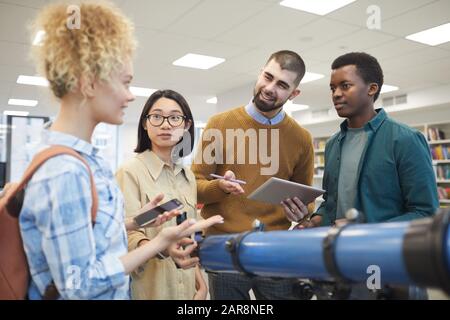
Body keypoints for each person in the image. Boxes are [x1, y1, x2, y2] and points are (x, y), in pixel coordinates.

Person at [19, 2, 222, 300]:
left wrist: (136, 221)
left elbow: (93, 239)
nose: (129, 96)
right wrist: (156, 243)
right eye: (125, 82)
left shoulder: (87, 162)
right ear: (89, 81)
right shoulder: (65, 170)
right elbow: (79, 286)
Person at [292, 52, 439, 299]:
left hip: (390, 266)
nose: (336, 94)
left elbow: (425, 213)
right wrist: (315, 221)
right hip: (341, 266)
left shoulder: (405, 140)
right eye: (332, 87)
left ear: (372, 89)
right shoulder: (333, 144)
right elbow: (331, 204)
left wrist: (363, 229)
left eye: (345, 85)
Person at [191, 50, 315, 300]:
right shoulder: (219, 124)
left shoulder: (301, 139)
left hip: (274, 250)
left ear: (294, 93)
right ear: (260, 73)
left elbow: (306, 197)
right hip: (224, 248)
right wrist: (221, 188)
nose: (270, 88)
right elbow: (194, 185)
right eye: (268, 77)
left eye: (282, 85)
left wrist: (303, 212)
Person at [116, 89, 208, 300]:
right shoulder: (130, 172)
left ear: (186, 126)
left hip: (189, 291)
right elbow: (126, 235)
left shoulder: (188, 175)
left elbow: (188, 238)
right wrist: (163, 248)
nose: (166, 125)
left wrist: (201, 286)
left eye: (175, 118)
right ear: (145, 123)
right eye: (157, 117)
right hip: (152, 289)